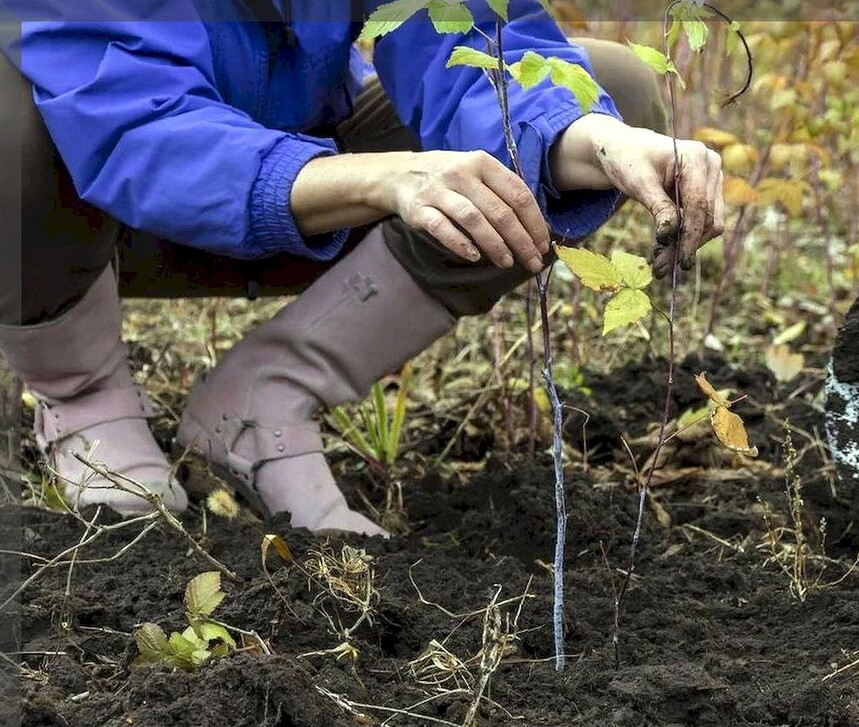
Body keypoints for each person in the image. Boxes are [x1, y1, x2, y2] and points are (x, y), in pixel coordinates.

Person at [0, 0, 725, 536]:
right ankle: (85, 395)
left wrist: (590, 139)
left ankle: (267, 394)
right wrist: (382, 179)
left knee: (613, 91)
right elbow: (136, 129)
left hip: (306, 189)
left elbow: (467, 33)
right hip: (97, 210)